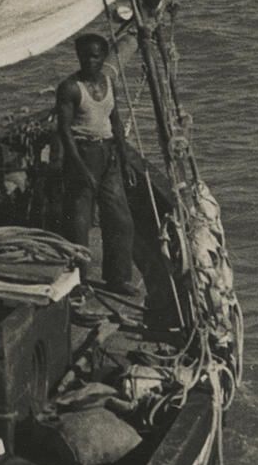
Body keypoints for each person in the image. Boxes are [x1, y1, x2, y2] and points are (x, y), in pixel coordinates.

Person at [54, 29, 171, 323]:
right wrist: (79, 167)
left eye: (95, 56)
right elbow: (65, 132)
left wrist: (121, 153)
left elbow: (114, 120)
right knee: (79, 220)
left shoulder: (108, 82)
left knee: (120, 217)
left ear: (103, 57)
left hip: (108, 155)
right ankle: (77, 281)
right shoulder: (70, 88)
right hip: (83, 154)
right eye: (84, 56)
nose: (90, 61)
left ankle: (117, 278)